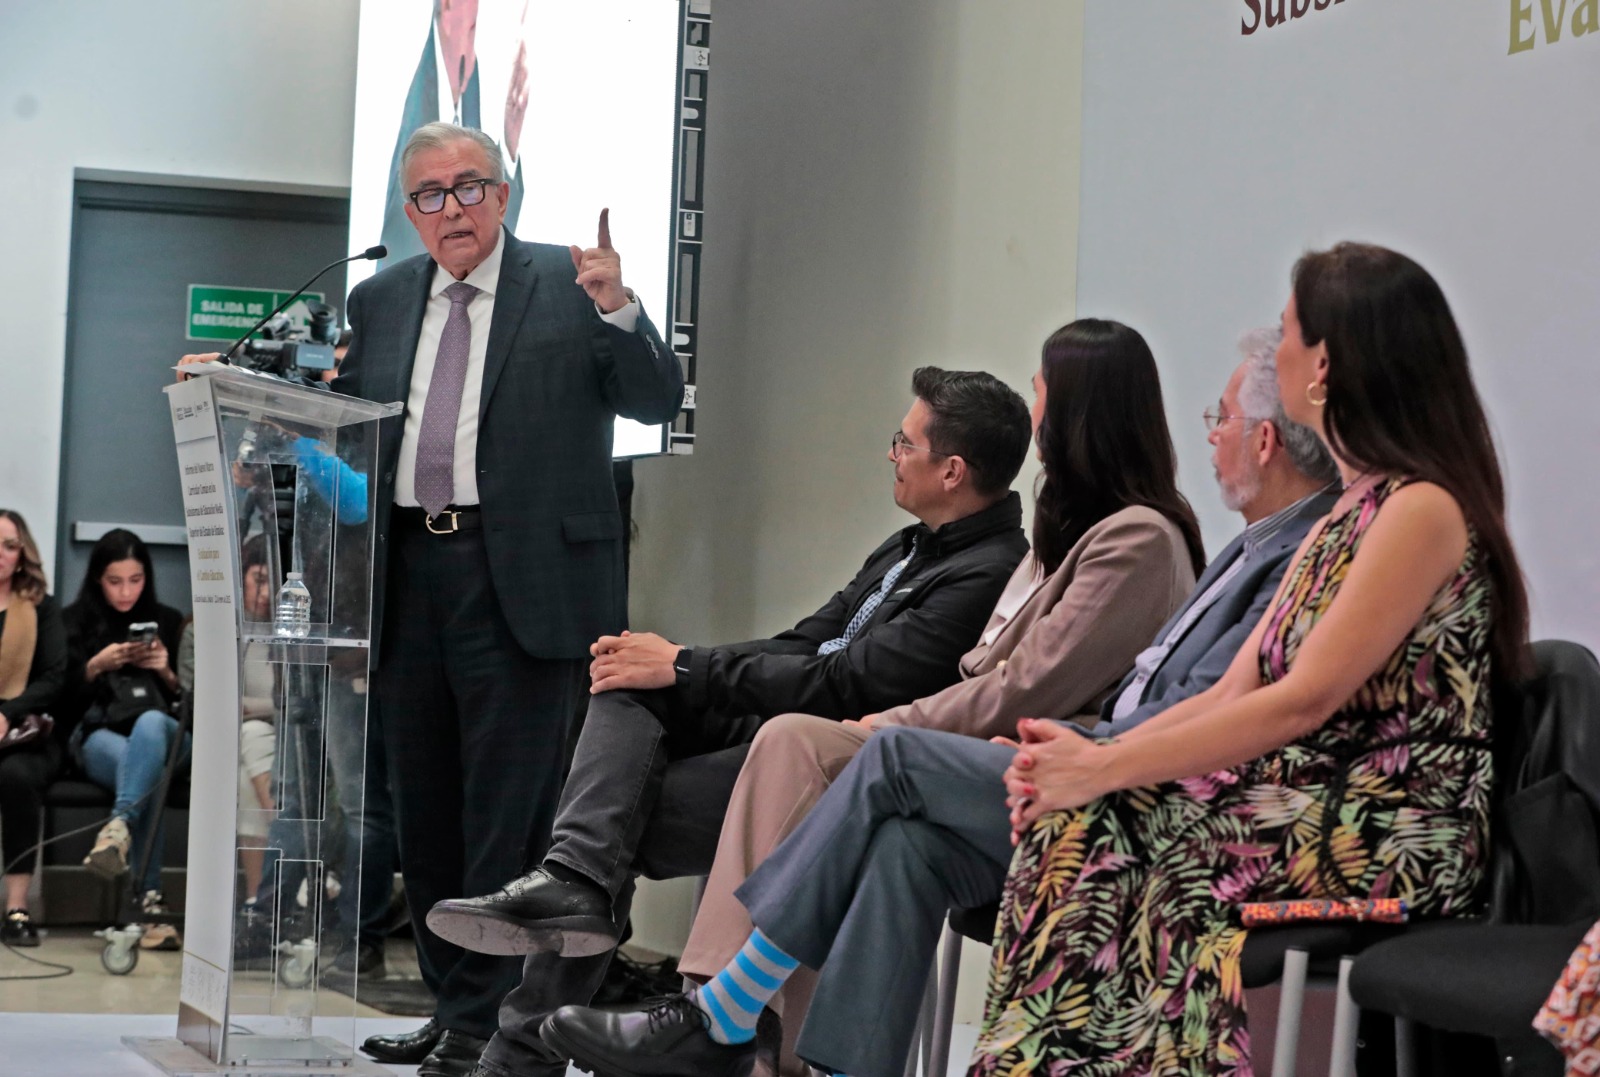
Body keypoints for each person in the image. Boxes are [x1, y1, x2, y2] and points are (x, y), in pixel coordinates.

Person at [537, 326, 1343, 1077]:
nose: (1033, 422)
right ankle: (806, 1054)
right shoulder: (1170, 541)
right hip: (1056, 760)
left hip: (1105, 786)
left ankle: (717, 1010)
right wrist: (688, 669)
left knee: (827, 746)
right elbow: (827, 644)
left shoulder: (1139, 537)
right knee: (902, 844)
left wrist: (1051, 741)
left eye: (1223, 417)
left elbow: (1029, 686)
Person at [183, 119, 683, 1077]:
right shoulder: (380, 297)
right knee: (426, 807)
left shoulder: (569, 282)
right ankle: (452, 1003)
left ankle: (494, 1021)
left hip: (524, 577)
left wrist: (621, 309)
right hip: (409, 570)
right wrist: (240, 386)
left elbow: (656, 400)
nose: (451, 208)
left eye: (469, 186)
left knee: (508, 810)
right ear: (409, 212)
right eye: (429, 194)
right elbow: (347, 421)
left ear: (503, 193)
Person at [952, 242, 1528, 1073]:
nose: (1275, 349)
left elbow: (1302, 700)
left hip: (1395, 822)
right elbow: (1235, 688)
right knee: (1072, 821)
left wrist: (1102, 768)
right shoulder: (1346, 513)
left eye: (1289, 332)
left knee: (1125, 829)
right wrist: (1086, 757)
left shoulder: (1419, 509)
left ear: (1324, 365)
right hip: (1310, 800)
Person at [429, 365, 1035, 1077]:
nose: (891, 454)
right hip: (779, 732)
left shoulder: (989, 569)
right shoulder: (908, 545)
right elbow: (803, 643)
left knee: (607, 826)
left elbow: (846, 683)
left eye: (904, 443)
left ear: (952, 470)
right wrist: (670, 665)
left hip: (825, 768)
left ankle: (529, 1033)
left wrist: (686, 664)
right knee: (624, 690)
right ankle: (570, 891)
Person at [62, 529, 189, 951]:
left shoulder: (168, 620)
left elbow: (193, 704)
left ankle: (118, 828)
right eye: (115, 581)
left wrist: (166, 671)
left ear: (146, 578)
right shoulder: (74, 621)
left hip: (169, 736)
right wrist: (95, 667)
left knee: (151, 726)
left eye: (135, 580)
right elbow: (60, 704)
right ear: (98, 579)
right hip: (101, 737)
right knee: (145, 773)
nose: (126, 591)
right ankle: (149, 902)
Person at [0, 510, 68, 947]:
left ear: (22, 554)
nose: (0, 554)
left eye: (9, 545)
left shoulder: (41, 607)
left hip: (23, 733)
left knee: (16, 778)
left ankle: (16, 908)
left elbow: (54, 678)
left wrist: (7, 712)